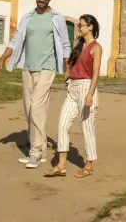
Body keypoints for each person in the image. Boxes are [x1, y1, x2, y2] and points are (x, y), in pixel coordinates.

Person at [0, 0, 72, 169]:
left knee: (37, 106)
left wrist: (67, 67)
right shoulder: (27, 17)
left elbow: (65, 44)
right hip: (28, 67)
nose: (42, 0)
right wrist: (2, 59)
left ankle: (35, 153)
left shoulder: (57, 18)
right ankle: (41, 149)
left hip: (47, 67)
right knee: (30, 109)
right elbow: (15, 40)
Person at [44, 14, 102, 179]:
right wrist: (68, 72)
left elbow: (96, 72)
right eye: (78, 26)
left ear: (90, 27)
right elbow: (69, 67)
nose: (79, 28)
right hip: (72, 88)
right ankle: (61, 166)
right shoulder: (79, 46)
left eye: (81, 25)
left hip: (86, 87)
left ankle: (89, 165)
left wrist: (90, 94)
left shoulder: (95, 47)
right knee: (62, 124)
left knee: (87, 128)